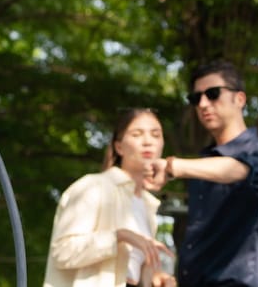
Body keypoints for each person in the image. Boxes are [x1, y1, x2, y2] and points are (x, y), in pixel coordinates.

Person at [151, 60, 258, 287]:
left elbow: (246, 170)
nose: (203, 104)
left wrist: (173, 166)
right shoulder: (205, 162)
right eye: (196, 98)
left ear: (239, 99)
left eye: (213, 94)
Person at [43, 108, 177, 287]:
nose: (147, 142)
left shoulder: (147, 205)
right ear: (118, 146)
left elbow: (130, 272)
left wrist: (155, 278)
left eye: (155, 135)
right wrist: (120, 236)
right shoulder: (93, 186)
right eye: (137, 134)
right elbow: (62, 252)